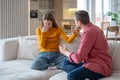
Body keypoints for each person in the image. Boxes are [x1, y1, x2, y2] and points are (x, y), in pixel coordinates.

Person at [59, 10, 112, 80]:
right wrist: (82, 38)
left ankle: (80, 75)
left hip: (99, 66)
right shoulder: (95, 28)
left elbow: (78, 58)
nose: (75, 23)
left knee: (71, 76)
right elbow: (92, 45)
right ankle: (81, 74)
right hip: (102, 63)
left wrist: (65, 52)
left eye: (75, 21)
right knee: (65, 62)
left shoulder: (88, 32)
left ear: (79, 22)